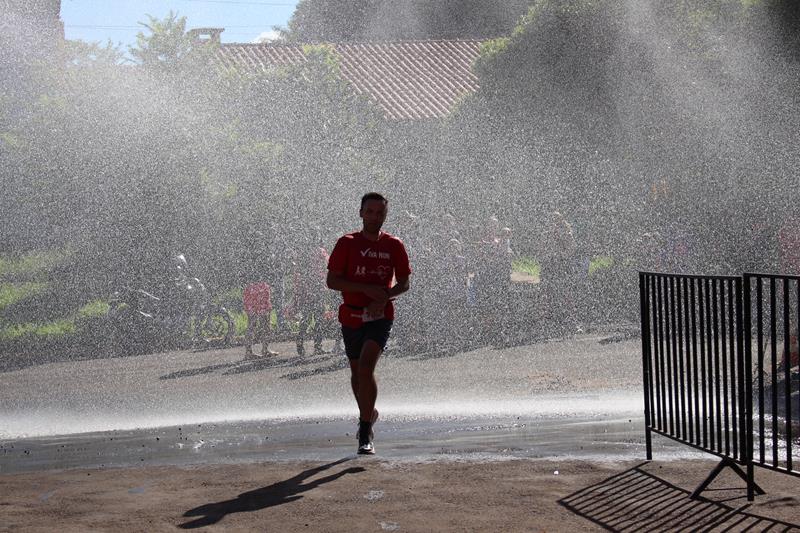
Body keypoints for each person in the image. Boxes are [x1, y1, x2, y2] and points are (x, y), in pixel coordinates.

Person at [327, 192, 411, 455]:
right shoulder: (346, 242)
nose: (375, 217)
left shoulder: (394, 245)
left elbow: (404, 283)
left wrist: (385, 295)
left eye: (380, 212)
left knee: (366, 366)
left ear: (386, 215)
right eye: (370, 212)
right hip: (351, 314)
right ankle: (369, 413)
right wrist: (365, 289)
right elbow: (332, 281)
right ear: (361, 213)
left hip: (381, 315)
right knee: (356, 374)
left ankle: (365, 432)